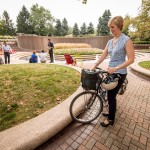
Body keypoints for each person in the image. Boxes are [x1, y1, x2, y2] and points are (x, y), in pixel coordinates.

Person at [92, 16, 135, 127]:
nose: (111, 29)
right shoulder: (110, 41)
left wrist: (116, 68)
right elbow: (103, 55)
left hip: (120, 72)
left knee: (111, 95)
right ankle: (109, 110)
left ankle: (111, 119)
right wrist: (95, 65)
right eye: (110, 27)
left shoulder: (126, 40)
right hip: (110, 71)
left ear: (119, 26)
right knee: (105, 90)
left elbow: (131, 59)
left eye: (113, 27)